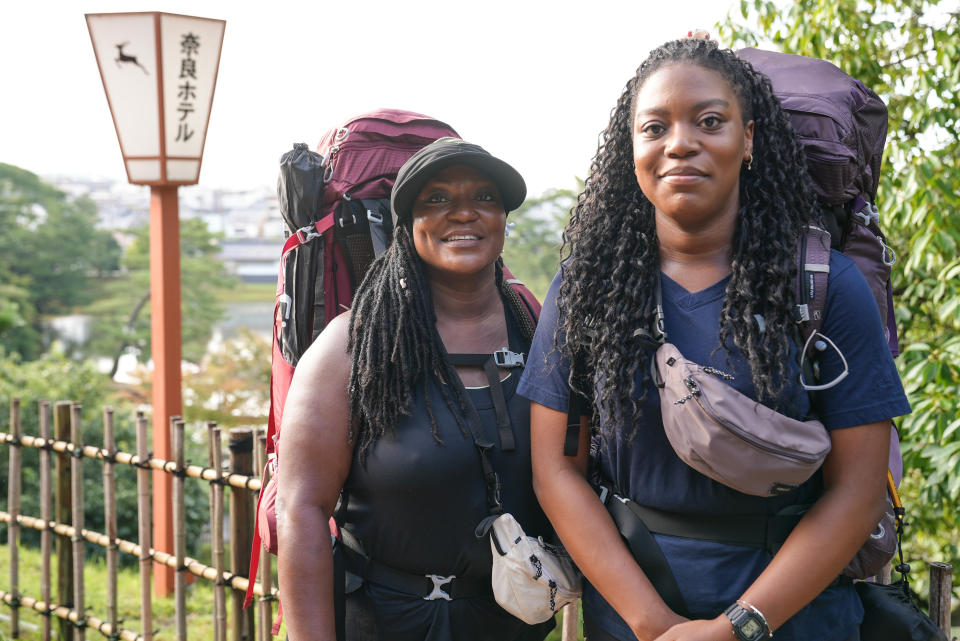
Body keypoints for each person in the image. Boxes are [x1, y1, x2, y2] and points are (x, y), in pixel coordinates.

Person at [518, 38, 910, 641]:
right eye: (655, 127)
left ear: (747, 140)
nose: (680, 143)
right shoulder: (587, 287)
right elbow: (555, 470)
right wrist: (652, 624)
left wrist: (738, 628)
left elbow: (857, 493)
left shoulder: (825, 286)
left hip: (796, 622)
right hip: (633, 620)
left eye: (709, 121)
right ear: (633, 149)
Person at [277, 137, 555, 641]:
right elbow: (302, 509)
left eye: (485, 198)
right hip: (386, 621)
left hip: (513, 620)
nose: (464, 214)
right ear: (406, 224)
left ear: (503, 219)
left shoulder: (535, 328)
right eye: (437, 199)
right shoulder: (352, 345)